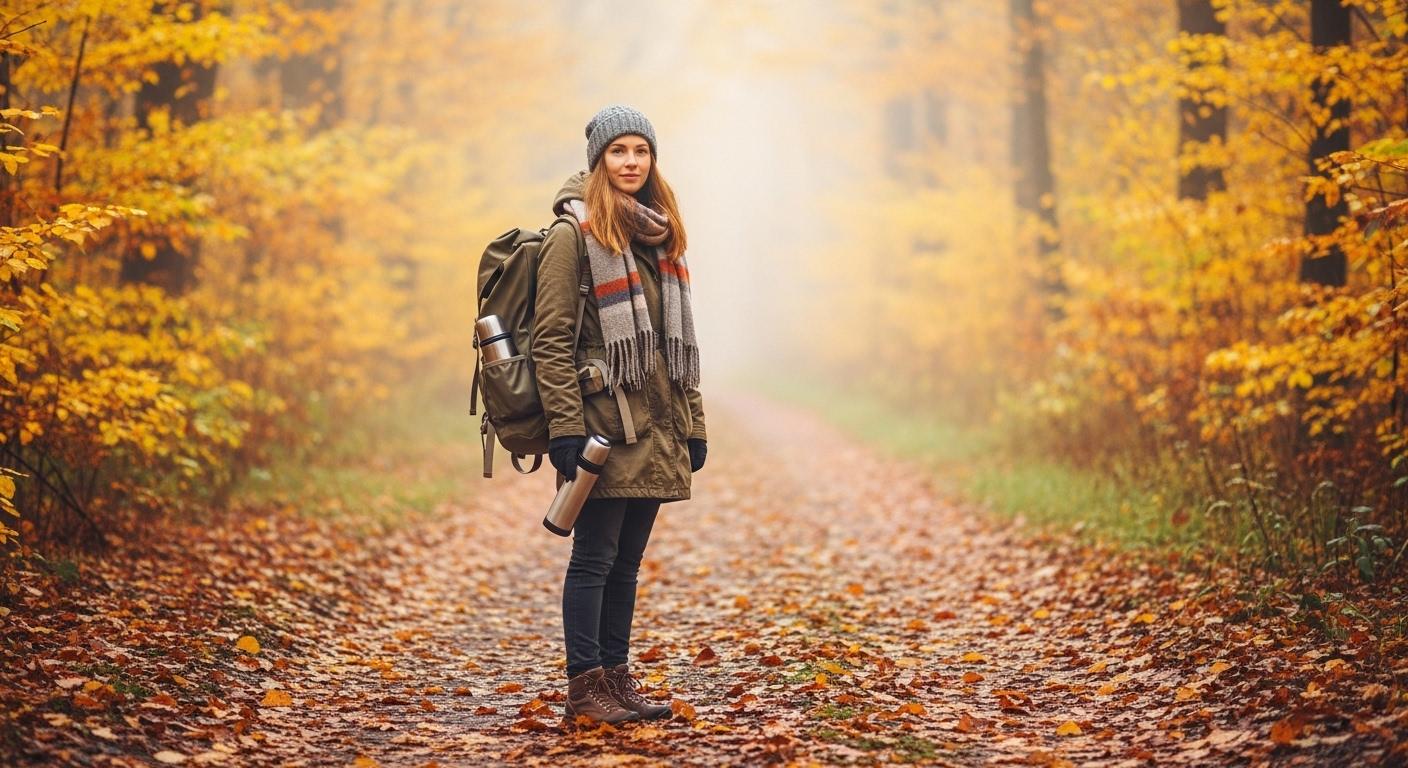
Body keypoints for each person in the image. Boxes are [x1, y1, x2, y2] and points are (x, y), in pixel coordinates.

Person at [530, 104, 709, 725]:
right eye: (618, 151)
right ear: (598, 160)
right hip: (603, 429)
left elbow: (676, 345)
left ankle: (615, 678)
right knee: (594, 560)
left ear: (652, 159)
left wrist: (694, 425)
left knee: (627, 564)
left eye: (641, 150)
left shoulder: (659, 233)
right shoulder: (572, 234)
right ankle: (585, 688)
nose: (631, 162)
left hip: (658, 425)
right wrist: (565, 430)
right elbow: (551, 341)